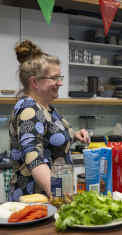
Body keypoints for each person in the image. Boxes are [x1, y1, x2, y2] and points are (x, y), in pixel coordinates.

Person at [8, 40, 90, 201]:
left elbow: (48, 135)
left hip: (51, 196)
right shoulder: (29, 109)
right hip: (36, 201)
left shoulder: (45, 107)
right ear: (34, 82)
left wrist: (74, 135)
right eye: (54, 78)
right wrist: (58, 195)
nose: (60, 83)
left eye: (60, 77)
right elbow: (33, 156)